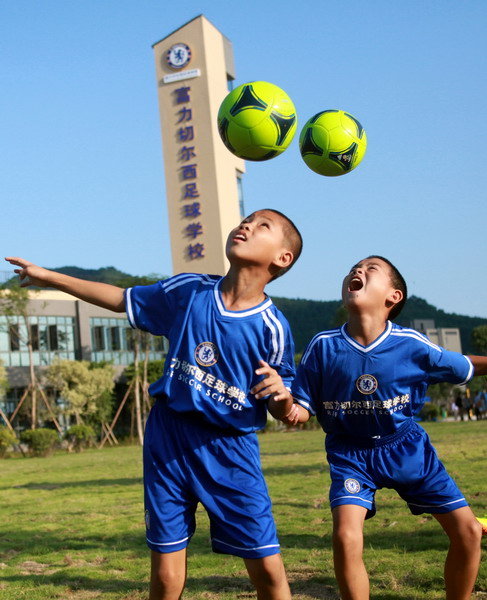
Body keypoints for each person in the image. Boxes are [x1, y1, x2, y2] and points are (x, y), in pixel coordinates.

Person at [5, 208, 303, 600]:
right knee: (164, 574)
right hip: (168, 438)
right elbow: (119, 299)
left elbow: (286, 409)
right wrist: (50, 277)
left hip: (229, 449)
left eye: (262, 225)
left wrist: (283, 398)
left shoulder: (272, 327)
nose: (245, 225)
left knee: (266, 568)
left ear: (282, 258)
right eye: (245, 219)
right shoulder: (189, 291)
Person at [276, 256, 486, 600]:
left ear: (393, 296)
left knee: (468, 533)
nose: (357, 271)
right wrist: (283, 403)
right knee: (345, 537)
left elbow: (463, 365)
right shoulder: (322, 346)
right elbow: (300, 411)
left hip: (406, 449)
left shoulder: (412, 345)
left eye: (370, 269)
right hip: (350, 453)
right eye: (353, 269)